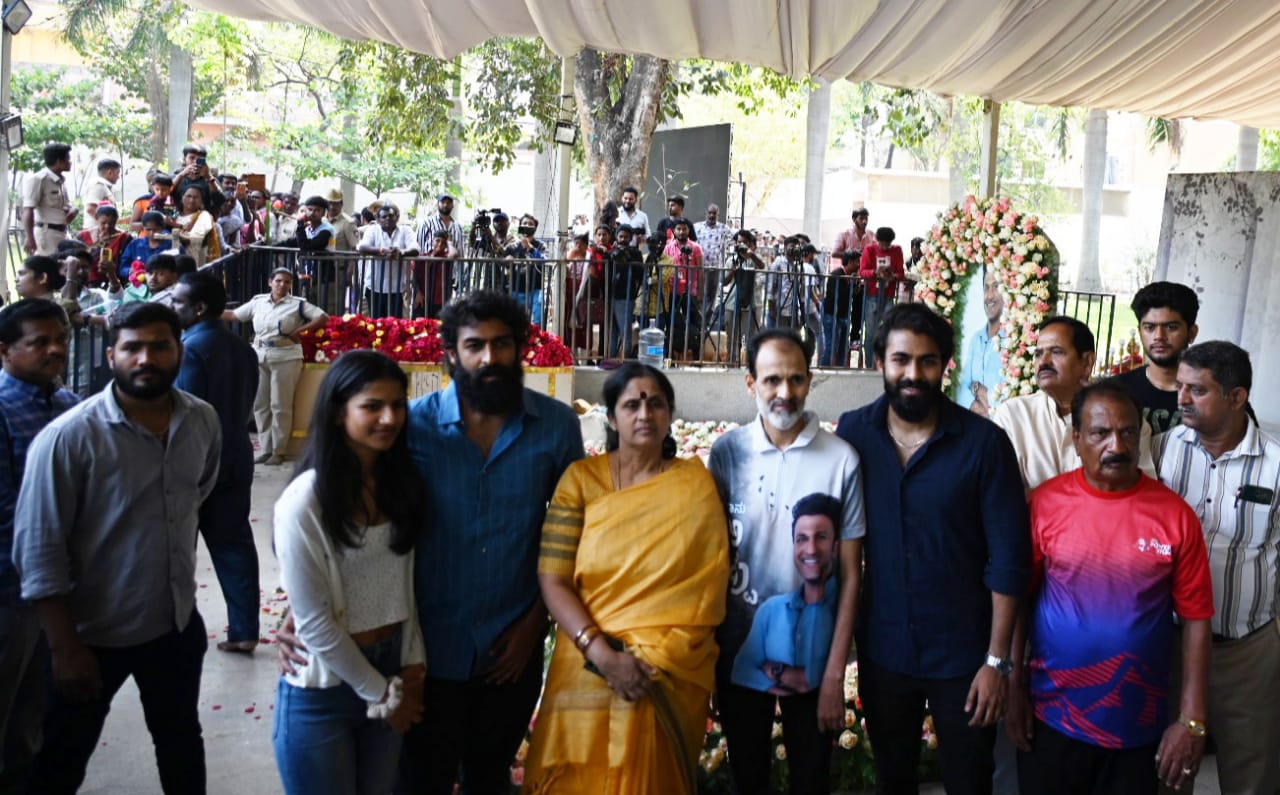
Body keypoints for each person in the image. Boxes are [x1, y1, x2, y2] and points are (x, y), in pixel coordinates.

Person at [276, 291, 583, 795]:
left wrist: (536, 623)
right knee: (419, 782)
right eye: (474, 345)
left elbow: (570, 534)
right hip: (423, 651)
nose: (489, 357)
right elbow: (352, 513)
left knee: (489, 779)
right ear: (451, 355)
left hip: (511, 648)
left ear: (520, 348)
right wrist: (306, 604)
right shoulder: (408, 426)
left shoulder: (556, 426)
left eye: (502, 343)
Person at [12, 301, 221, 794]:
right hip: (91, 637)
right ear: (112, 356)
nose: (146, 358)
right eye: (132, 348)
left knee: (180, 743)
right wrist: (64, 649)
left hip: (174, 625)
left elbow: (197, 494)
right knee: (61, 760)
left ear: (179, 351)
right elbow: (39, 552)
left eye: (159, 346)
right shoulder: (68, 438)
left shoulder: (202, 421)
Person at [835, 303, 1029, 794]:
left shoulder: (985, 445)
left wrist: (996, 663)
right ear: (879, 362)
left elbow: (1009, 560)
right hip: (884, 651)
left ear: (945, 365)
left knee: (969, 781)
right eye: (901, 360)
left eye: (927, 361)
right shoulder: (854, 433)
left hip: (964, 656)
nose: (913, 374)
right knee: (893, 780)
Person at [523, 364, 730, 793]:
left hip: (666, 667)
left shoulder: (695, 485)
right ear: (612, 417)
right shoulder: (580, 481)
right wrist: (602, 655)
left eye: (656, 404)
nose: (644, 415)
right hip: (586, 661)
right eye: (631, 405)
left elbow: (707, 587)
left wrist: (655, 656)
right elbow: (553, 578)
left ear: (669, 414)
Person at [1008, 381, 1214, 795]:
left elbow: (1196, 620)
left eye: (1127, 432)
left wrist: (1192, 719)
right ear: (1077, 438)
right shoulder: (1044, 505)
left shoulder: (1175, 516)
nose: (1116, 446)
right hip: (1053, 716)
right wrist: (1012, 687)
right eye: (1100, 433)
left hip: (1137, 722)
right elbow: (1019, 600)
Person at [709, 328, 865, 795]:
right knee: (748, 779)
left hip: (815, 664)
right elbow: (713, 560)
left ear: (809, 381)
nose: (785, 391)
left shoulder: (841, 459)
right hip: (739, 656)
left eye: (796, 379)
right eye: (772, 379)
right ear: (750, 383)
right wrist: (710, 659)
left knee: (812, 780)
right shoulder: (727, 453)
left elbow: (851, 575)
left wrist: (835, 673)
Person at [272, 350, 427, 794]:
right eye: (372, 406)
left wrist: (413, 666)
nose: (389, 418)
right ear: (339, 412)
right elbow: (314, 623)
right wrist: (383, 695)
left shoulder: (402, 486)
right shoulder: (305, 502)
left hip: (391, 670)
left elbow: (404, 589)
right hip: (325, 687)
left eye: (397, 405)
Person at [1153, 341, 1280, 795]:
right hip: (1168, 645)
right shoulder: (1161, 451)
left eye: (1198, 390)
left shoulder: (1276, 466)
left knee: (1252, 775)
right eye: (1180, 387)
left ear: (1236, 397)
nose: (1182, 398)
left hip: (1246, 652)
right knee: (1166, 772)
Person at [0, 300, 78, 791]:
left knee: (31, 717)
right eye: (40, 342)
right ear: (5, 351)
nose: (55, 350)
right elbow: (7, 515)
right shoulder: (3, 410)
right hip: (10, 590)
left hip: (57, 591)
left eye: (61, 340)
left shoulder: (68, 404)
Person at [171, 272, 262, 653]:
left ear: (199, 307)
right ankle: (244, 630)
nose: (172, 307)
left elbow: (187, 412)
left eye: (177, 302)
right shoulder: (243, 349)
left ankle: (172, 629)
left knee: (177, 549)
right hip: (236, 454)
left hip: (197, 462)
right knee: (234, 546)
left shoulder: (190, 349)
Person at [993, 316, 1153, 491]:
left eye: (1056, 352)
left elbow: (1138, 492)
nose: (1043, 362)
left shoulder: (1126, 421)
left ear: (1087, 362)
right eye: (1038, 354)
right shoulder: (1013, 415)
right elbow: (1000, 490)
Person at [226, 268, 328, 465]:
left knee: (280, 404)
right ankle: (265, 448)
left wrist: (300, 331)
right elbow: (235, 315)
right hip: (260, 355)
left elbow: (322, 316)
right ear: (270, 282)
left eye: (287, 282)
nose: (282, 285)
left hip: (286, 356)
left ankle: (278, 450)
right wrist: (206, 312)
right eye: (279, 281)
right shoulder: (258, 302)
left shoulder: (297, 304)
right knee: (260, 404)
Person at [1114, 281, 1199, 435]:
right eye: (1150, 327)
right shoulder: (1116, 391)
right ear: (1140, 332)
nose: (1159, 336)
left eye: (1171, 327)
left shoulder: (1212, 396)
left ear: (1192, 333)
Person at [357, 204, 420, 319]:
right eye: (384, 216)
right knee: (376, 322)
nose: (387, 219)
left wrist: (401, 252)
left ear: (397, 217)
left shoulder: (405, 230)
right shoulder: (372, 230)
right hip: (374, 286)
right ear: (377, 219)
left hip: (397, 288)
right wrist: (382, 251)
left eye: (391, 216)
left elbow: (415, 248)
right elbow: (362, 247)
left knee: (395, 323)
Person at [959, 265, 1005, 416]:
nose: (989, 296)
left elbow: (1009, 400)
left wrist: (978, 388)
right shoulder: (976, 340)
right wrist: (974, 406)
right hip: (973, 420)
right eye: (986, 288)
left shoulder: (1014, 343)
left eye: (996, 287)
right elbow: (962, 387)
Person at [858, 226, 905, 368]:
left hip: (889, 296)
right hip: (871, 295)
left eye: (887, 244)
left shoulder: (897, 250)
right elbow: (862, 272)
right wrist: (875, 273)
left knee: (889, 331)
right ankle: (870, 365)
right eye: (882, 244)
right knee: (870, 333)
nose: (884, 247)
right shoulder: (869, 250)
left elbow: (901, 273)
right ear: (877, 240)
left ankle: (885, 364)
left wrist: (892, 276)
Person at [22, 143, 77, 256]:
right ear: (58, 161)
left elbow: (63, 207)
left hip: (63, 233)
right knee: (48, 265)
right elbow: (28, 210)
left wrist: (73, 211)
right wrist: (30, 238)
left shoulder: (61, 182)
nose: (70, 162)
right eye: (67, 159)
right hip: (47, 234)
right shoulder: (39, 180)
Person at [175, 186, 218, 267]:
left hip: (194, 265)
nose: (192, 200)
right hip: (172, 265)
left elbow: (194, 238)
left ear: (201, 201)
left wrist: (172, 234)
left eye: (196, 197)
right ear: (182, 198)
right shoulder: (174, 216)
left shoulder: (204, 216)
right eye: (189, 196)